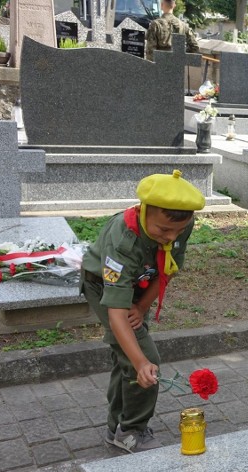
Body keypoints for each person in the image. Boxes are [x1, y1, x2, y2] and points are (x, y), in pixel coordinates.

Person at [81, 170, 205, 452]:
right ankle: (132, 430)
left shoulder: (180, 221)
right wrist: (140, 363)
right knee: (143, 357)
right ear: (143, 210)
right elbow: (116, 312)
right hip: (104, 287)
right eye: (163, 230)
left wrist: (142, 305)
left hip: (141, 286)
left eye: (177, 231)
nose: (170, 237)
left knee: (127, 356)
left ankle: (118, 427)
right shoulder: (123, 240)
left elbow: (168, 268)